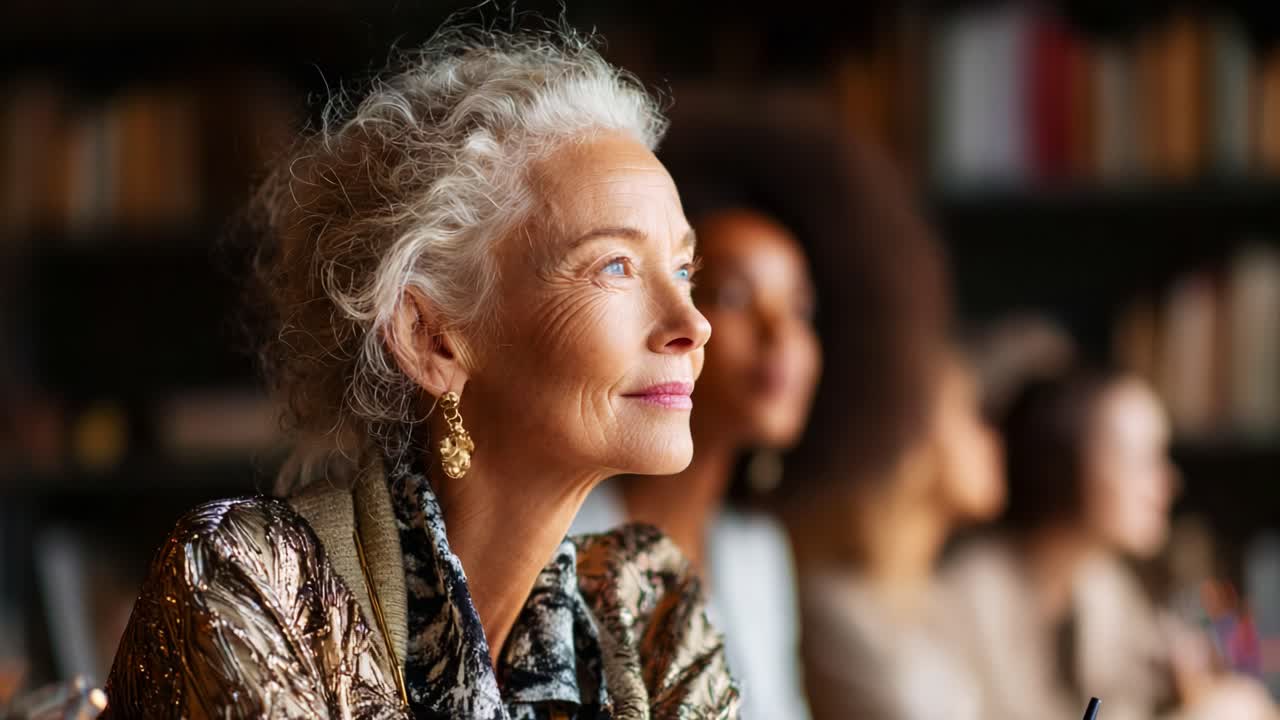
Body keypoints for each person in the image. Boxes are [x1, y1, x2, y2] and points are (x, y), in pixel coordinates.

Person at [100, 27, 739, 719]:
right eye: (613, 266)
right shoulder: (250, 578)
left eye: (683, 269)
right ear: (431, 338)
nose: (693, 324)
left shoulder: (645, 608)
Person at [572, 205, 821, 719]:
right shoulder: (568, 540)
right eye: (734, 296)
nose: (782, 336)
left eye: (799, 308)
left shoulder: (759, 550)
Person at [944, 370, 1275, 720]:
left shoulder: (1103, 587)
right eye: (1144, 458)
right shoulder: (966, 603)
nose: (1169, 482)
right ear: (1067, 462)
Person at [790, 352, 1005, 720]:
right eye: (971, 413)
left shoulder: (946, 595)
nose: (991, 437)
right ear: (913, 433)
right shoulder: (831, 606)